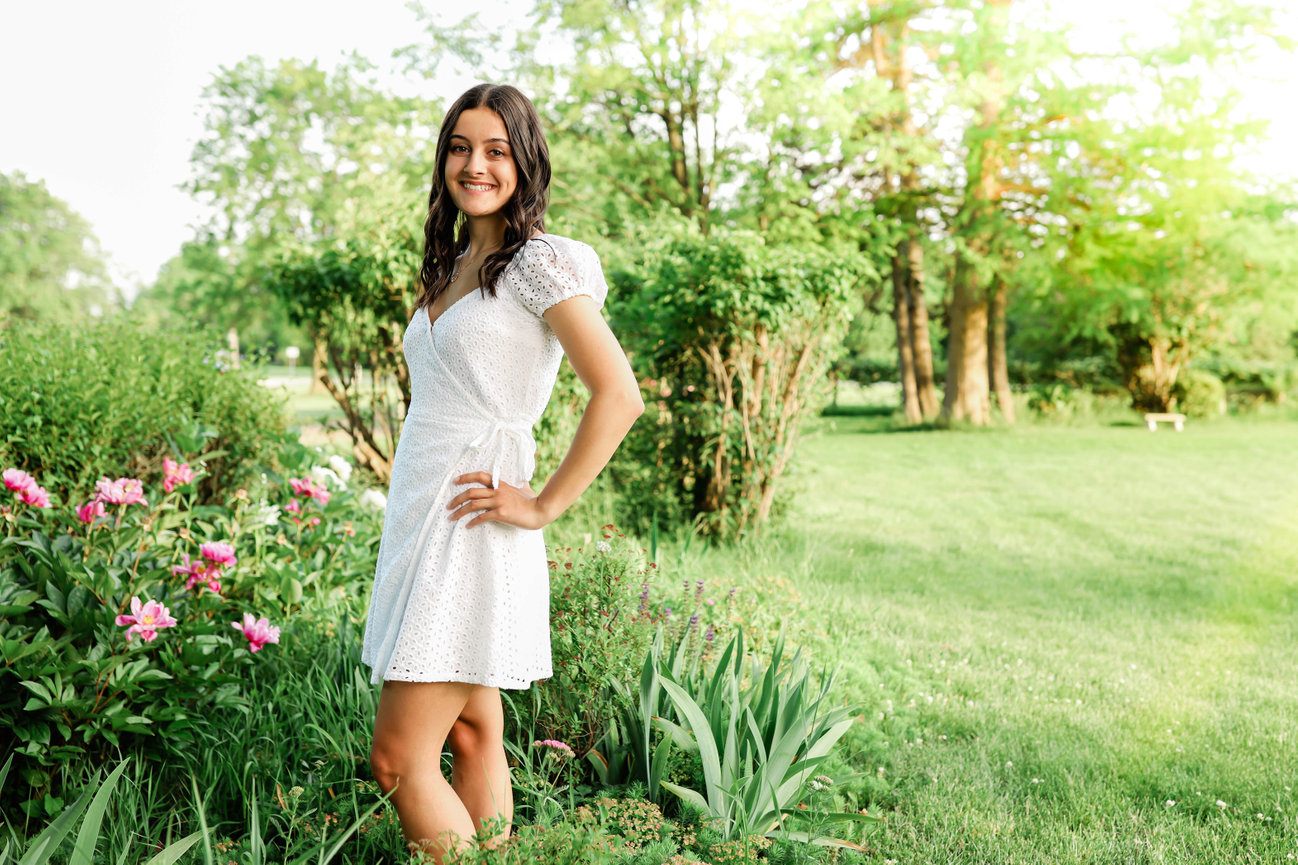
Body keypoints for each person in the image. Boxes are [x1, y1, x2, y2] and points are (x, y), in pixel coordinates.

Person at [361, 83, 643, 861]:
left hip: (475, 517)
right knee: (473, 726)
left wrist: (544, 504)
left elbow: (619, 394)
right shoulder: (454, 264)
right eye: (459, 147)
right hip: (423, 512)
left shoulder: (539, 264)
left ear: (525, 161)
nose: (474, 164)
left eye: (495, 149)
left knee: (396, 758)